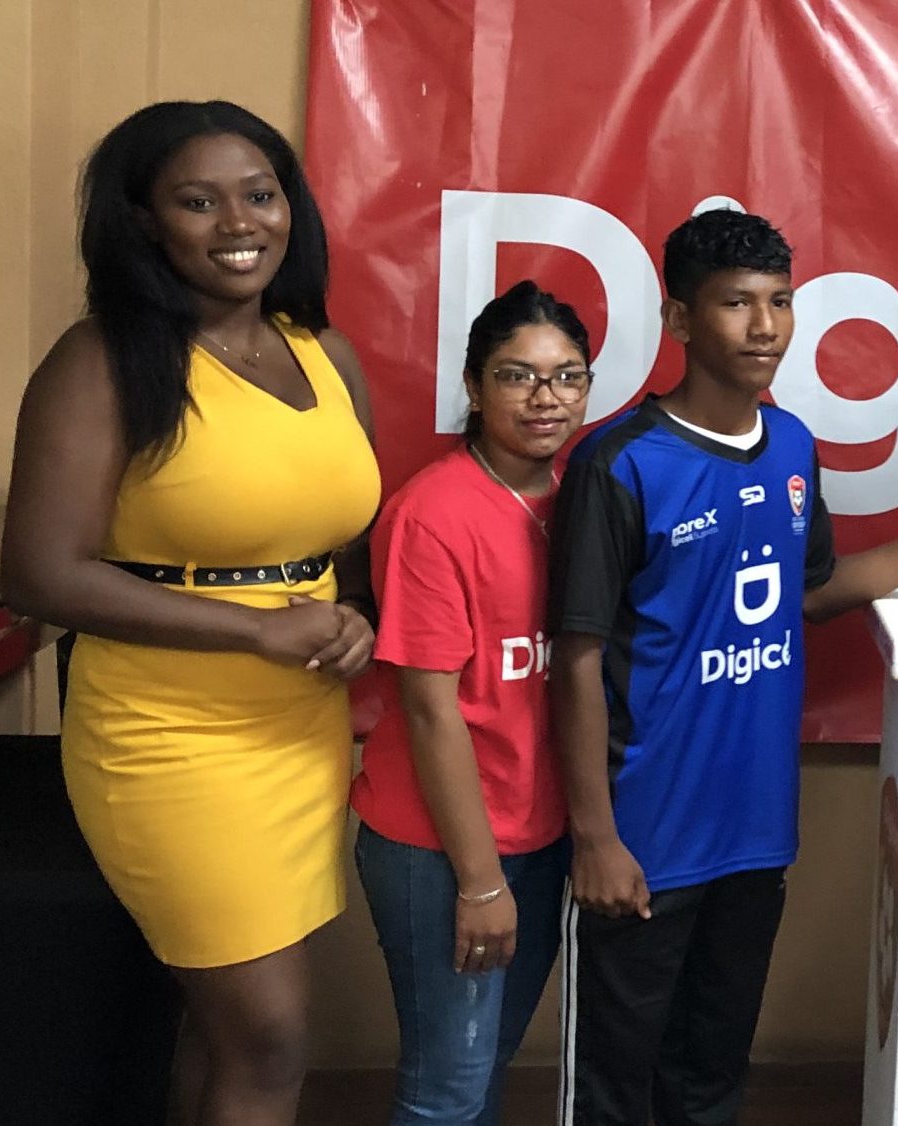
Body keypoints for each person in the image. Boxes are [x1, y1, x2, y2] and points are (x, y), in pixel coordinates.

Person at [547, 208, 898, 1126]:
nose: (765, 328)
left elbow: (812, 591)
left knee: (713, 1070)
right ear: (680, 322)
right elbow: (577, 660)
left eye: (781, 302)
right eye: (736, 304)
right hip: (646, 835)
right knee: (614, 1086)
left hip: (753, 826)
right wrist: (597, 838)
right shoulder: (622, 464)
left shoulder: (793, 444)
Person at [0, 101, 380, 1125]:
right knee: (270, 1032)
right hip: (167, 737)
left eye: (258, 195)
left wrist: (353, 617)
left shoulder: (321, 355)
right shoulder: (103, 361)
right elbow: (37, 571)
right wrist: (261, 628)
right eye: (197, 201)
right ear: (143, 222)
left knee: (221, 1031)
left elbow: (344, 531)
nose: (237, 223)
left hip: (300, 731)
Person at [349, 280, 594, 1125]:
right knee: (445, 1090)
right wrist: (482, 883)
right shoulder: (433, 513)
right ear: (474, 383)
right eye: (517, 375)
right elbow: (427, 709)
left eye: (567, 376)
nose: (545, 397)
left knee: (486, 1068)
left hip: (540, 834)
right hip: (444, 849)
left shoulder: (580, 501)